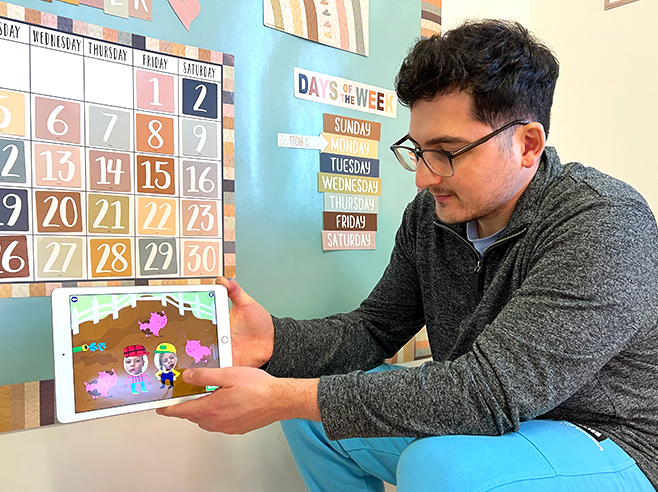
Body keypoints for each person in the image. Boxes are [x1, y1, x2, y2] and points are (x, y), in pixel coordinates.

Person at [158, 20, 658, 491]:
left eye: (447, 152)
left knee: (437, 466)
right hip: (496, 420)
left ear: (527, 144)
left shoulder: (602, 220)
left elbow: (487, 391)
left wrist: (281, 398)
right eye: (417, 150)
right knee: (313, 416)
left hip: (612, 440)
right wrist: (274, 342)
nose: (423, 176)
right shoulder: (431, 216)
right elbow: (375, 329)